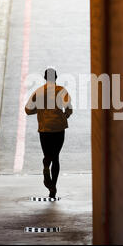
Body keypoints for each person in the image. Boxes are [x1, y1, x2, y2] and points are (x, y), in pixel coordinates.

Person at [25, 68, 73, 198]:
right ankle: (53, 188)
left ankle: (46, 166)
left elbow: (28, 110)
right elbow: (69, 109)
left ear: (45, 78)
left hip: (44, 129)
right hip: (58, 128)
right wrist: (64, 116)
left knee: (48, 155)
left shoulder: (39, 92)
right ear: (56, 77)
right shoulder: (61, 91)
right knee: (56, 157)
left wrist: (39, 111)